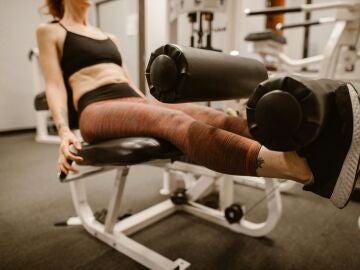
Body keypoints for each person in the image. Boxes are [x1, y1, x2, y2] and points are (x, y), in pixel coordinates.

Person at [37, 0, 360, 208]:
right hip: (96, 110)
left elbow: (129, 82)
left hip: (128, 100)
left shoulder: (108, 37)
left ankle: (317, 153)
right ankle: (298, 171)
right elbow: (54, 84)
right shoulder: (51, 31)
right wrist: (65, 130)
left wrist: (148, 106)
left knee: (210, 114)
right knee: (177, 124)